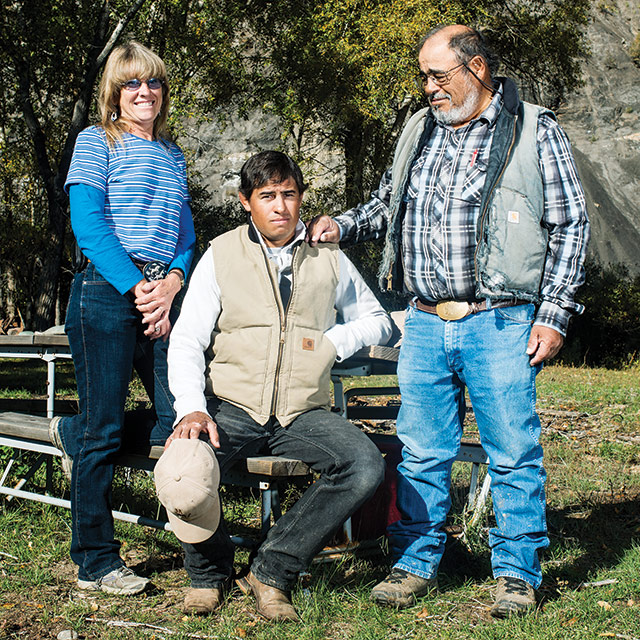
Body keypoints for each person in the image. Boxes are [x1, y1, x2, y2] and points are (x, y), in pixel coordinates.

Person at [307, 25, 590, 617]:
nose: (429, 88)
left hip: (500, 321)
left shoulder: (535, 129)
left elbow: (570, 225)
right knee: (420, 451)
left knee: (512, 452)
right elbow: (388, 204)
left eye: (438, 75)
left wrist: (555, 315)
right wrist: (342, 225)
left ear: (477, 68)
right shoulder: (420, 129)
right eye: (424, 77)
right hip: (425, 321)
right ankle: (414, 563)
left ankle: (516, 574)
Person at [158, 150, 391, 620]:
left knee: (364, 466)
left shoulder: (329, 255)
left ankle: (272, 570)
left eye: (289, 194)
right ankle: (208, 574)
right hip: (232, 405)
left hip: (303, 411)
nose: (280, 206)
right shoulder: (222, 253)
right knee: (184, 471)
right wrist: (191, 408)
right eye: (267, 196)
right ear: (246, 201)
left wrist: (334, 341)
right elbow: (186, 339)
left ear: (301, 198)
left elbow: (379, 321)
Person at [48, 42, 195, 595]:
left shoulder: (173, 155)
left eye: (153, 82)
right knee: (105, 431)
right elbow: (88, 226)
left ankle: (75, 431)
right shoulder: (97, 142)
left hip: (161, 295)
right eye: (132, 83)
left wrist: (172, 283)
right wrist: (139, 287)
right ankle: (96, 560)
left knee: (177, 420)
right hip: (107, 292)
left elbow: (185, 234)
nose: (144, 92)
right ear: (114, 92)